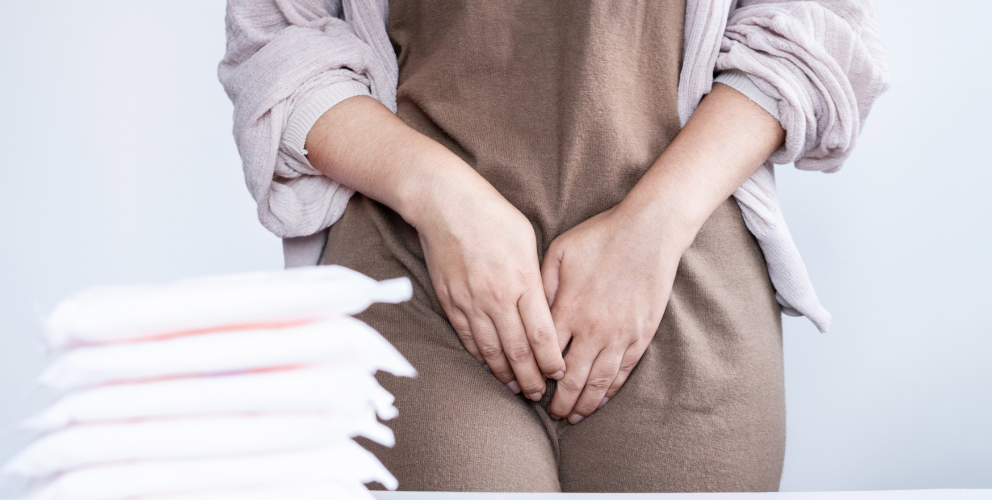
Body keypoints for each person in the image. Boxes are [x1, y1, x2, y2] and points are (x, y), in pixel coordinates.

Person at [220, 0, 889, 492]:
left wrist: (654, 225)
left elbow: (818, 25)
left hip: (684, 276)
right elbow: (277, 40)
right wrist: (441, 198)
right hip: (414, 270)